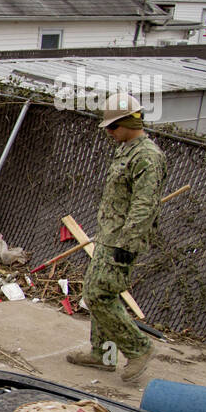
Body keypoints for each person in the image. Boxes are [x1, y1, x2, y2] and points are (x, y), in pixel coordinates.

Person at [66, 92, 167, 383]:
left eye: (112, 127)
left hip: (121, 241)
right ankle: (103, 354)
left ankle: (139, 348)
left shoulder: (147, 157)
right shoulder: (127, 150)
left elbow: (144, 206)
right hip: (109, 235)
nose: (109, 132)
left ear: (128, 123)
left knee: (99, 295)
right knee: (98, 292)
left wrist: (128, 244)